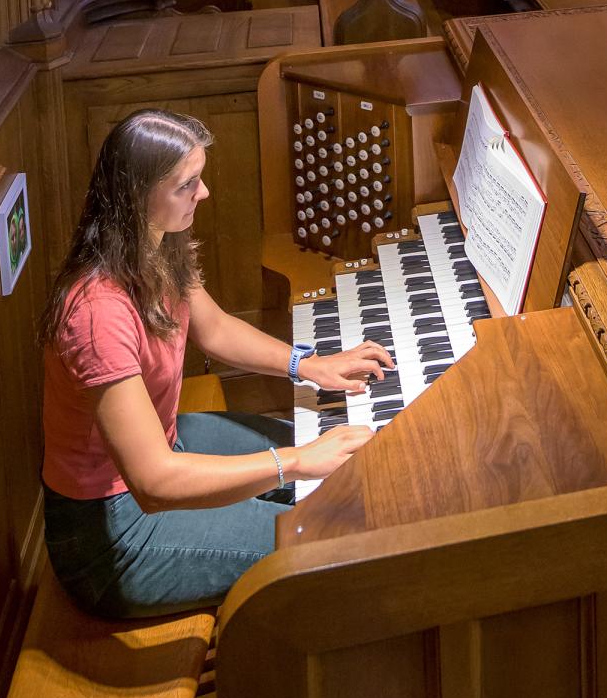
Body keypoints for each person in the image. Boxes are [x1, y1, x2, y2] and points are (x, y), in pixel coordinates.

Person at [39, 109, 391, 617]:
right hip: (112, 532)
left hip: (167, 443)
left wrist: (309, 364)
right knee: (328, 532)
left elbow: (216, 329)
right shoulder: (96, 313)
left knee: (335, 464)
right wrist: (291, 463)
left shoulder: (156, 246)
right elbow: (155, 483)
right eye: (188, 184)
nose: (203, 194)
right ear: (139, 195)